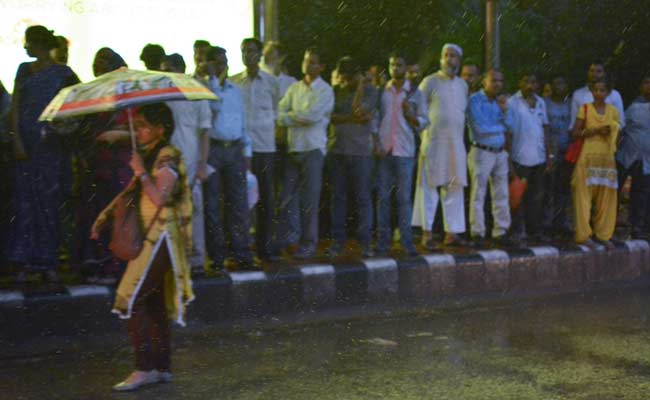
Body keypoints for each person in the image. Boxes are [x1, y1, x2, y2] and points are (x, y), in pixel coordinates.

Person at [91, 103, 194, 391]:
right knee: (153, 299)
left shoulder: (168, 155)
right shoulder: (150, 153)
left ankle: (144, 367)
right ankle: (161, 367)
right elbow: (134, 190)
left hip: (162, 236)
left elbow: (159, 196)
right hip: (151, 234)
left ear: (161, 129)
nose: (138, 130)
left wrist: (140, 170)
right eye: (136, 126)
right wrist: (106, 214)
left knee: (134, 297)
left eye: (144, 126)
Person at [7, 25, 80, 283]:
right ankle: (24, 261)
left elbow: (76, 109)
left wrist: (62, 129)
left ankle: (46, 260)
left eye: (27, 42)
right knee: (25, 201)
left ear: (37, 44)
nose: (25, 47)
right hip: (27, 145)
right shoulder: (24, 71)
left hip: (50, 146)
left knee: (48, 203)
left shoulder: (65, 74)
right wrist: (17, 141)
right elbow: (15, 108)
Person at [72, 47, 131, 284]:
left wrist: (116, 135)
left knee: (118, 219)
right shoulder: (93, 97)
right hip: (96, 168)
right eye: (97, 66)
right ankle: (97, 265)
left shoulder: (128, 98)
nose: (99, 70)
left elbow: (136, 129)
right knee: (95, 218)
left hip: (120, 168)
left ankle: (116, 267)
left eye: (104, 66)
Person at [276, 47, 334, 259]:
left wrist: (292, 117)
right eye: (305, 60)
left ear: (321, 67)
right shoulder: (294, 88)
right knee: (287, 197)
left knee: (310, 200)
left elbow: (313, 116)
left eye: (312, 62)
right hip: (295, 147)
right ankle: (291, 240)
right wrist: (296, 117)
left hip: (313, 149)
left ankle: (308, 244)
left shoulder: (325, 90)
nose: (307, 65)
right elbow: (279, 114)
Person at [203, 46, 256, 271]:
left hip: (234, 149)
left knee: (239, 204)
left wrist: (247, 153)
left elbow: (242, 122)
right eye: (218, 62)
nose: (223, 65)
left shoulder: (234, 89)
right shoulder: (204, 87)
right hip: (213, 150)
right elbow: (213, 106)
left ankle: (242, 254)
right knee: (213, 205)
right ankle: (217, 257)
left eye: (225, 61)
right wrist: (213, 79)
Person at [412, 43, 469, 248]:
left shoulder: (463, 85)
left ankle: (451, 233)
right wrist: (424, 137)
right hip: (433, 142)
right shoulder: (429, 82)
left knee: (454, 186)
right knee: (428, 187)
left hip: (455, 144)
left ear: (458, 61)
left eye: (452, 56)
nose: (448, 59)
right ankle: (427, 233)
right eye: (445, 55)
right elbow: (416, 110)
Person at [161, 53, 212, 271]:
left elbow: (205, 132)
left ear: (179, 69)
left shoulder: (197, 93)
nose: (165, 75)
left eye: (168, 69)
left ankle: (196, 259)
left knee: (194, 211)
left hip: (191, 162)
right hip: (167, 162)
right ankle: (172, 259)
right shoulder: (161, 96)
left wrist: (202, 165)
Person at [374, 51, 428, 257]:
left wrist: (411, 115)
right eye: (392, 64)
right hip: (385, 150)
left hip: (405, 150)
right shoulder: (382, 91)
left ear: (405, 68)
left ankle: (406, 242)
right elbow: (375, 119)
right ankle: (382, 242)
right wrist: (376, 143)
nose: (395, 68)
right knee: (383, 198)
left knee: (404, 198)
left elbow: (424, 121)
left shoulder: (415, 93)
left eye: (399, 64)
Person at [232, 38, 280, 261]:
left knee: (267, 201)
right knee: (240, 200)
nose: (246, 55)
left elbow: (279, 113)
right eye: (243, 51)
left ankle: (266, 248)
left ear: (260, 54)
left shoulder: (272, 82)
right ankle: (241, 249)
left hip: (264, 147)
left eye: (251, 51)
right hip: (241, 150)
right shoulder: (234, 83)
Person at [326, 56, 378, 257]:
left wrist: (361, 87)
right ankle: (337, 243)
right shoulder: (334, 91)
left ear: (359, 74)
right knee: (337, 199)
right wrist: (351, 118)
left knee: (363, 199)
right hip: (337, 150)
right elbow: (330, 117)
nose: (345, 80)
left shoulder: (371, 91)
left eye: (350, 76)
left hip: (361, 153)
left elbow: (360, 111)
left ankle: (365, 243)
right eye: (343, 75)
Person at [570, 79, 620, 249]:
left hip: (606, 159)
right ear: (591, 91)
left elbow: (619, 135)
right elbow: (575, 133)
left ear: (608, 92)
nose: (599, 93)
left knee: (607, 198)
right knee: (582, 197)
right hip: (588, 158)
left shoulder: (613, 111)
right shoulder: (585, 109)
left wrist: (613, 133)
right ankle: (583, 235)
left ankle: (604, 234)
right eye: (596, 90)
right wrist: (596, 131)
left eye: (602, 90)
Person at [466, 69, 513, 247]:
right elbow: (479, 129)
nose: (497, 84)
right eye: (493, 81)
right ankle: (477, 233)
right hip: (481, 151)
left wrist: (503, 111)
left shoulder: (501, 102)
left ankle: (501, 231)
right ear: (484, 81)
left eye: (500, 81)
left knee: (501, 192)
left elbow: (510, 125)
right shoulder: (475, 100)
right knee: (478, 193)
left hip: (500, 152)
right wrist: (499, 126)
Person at [260, 41, 300, 245]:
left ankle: (288, 237)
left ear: (281, 57)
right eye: (264, 53)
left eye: (270, 53)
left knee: (287, 193)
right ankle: (267, 236)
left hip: (285, 143)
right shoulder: (259, 79)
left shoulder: (292, 83)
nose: (265, 57)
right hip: (263, 143)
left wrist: (280, 119)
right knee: (265, 192)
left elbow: (294, 113)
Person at [506, 72, 552, 242]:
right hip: (519, 158)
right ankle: (518, 231)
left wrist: (549, 156)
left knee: (536, 198)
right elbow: (508, 133)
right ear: (520, 82)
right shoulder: (512, 102)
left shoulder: (541, 102)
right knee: (518, 198)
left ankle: (535, 232)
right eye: (526, 81)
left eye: (533, 82)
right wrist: (509, 160)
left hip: (539, 158)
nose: (530, 85)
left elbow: (545, 129)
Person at [616, 75, 650, 239]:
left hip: (646, 160)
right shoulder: (633, 106)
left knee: (641, 193)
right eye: (646, 82)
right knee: (615, 190)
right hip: (626, 156)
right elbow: (621, 129)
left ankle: (637, 227)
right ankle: (610, 225)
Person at [543, 75, 573, 235]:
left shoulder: (570, 104)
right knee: (549, 188)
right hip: (550, 152)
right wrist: (549, 153)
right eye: (556, 83)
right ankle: (546, 223)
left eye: (562, 82)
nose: (559, 86)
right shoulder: (545, 103)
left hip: (567, 151)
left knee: (563, 189)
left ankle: (560, 221)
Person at [570, 61, 624, 130]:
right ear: (587, 72)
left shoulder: (615, 95)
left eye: (599, 71)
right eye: (591, 71)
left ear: (604, 73)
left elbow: (620, 124)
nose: (594, 74)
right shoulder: (578, 94)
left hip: (609, 138)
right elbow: (573, 124)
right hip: (585, 138)